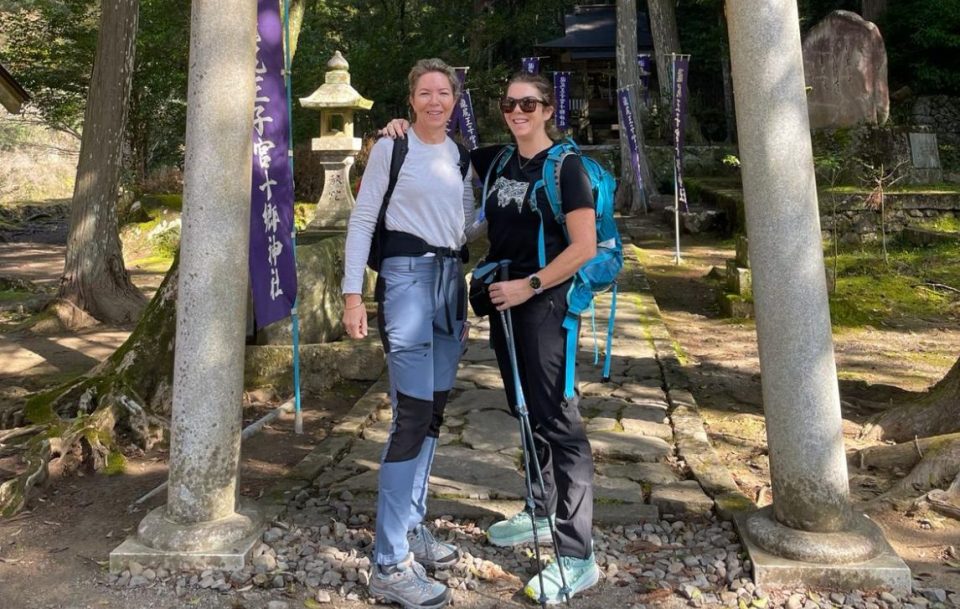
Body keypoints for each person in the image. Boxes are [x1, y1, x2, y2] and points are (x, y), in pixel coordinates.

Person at [382, 71, 600, 604]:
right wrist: (395, 130)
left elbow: (585, 247)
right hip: (505, 305)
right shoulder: (499, 160)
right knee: (524, 408)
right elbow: (434, 146)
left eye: (529, 104)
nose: (518, 112)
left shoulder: (566, 167)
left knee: (557, 418)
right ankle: (539, 508)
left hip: (545, 304)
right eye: (510, 104)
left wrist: (529, 286)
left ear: (549, 109)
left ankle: (577, 555)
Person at [342, 58, 475, 609]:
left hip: (450, 285)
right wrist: (353, 293)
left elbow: (466, 221)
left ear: (455, 99)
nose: (435, 101)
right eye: (425, 92)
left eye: (444, 92)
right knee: (412, 414)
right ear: (411, 99)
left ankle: (413, 526)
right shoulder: (392, 149)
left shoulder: (461, 154)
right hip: (406, 282)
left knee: (434, 411)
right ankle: (389, 563)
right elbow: (363, 219)